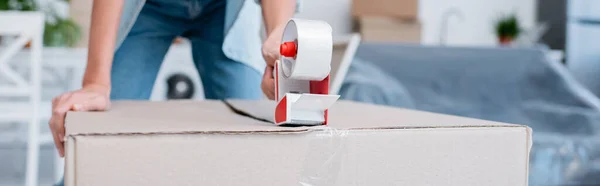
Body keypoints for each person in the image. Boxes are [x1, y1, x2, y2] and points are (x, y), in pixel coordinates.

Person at [49, 0, 296, 185]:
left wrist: (279, 36)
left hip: (225, 9)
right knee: (99, 140)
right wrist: (96, 83)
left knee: (257, 140)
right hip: (149, 8)